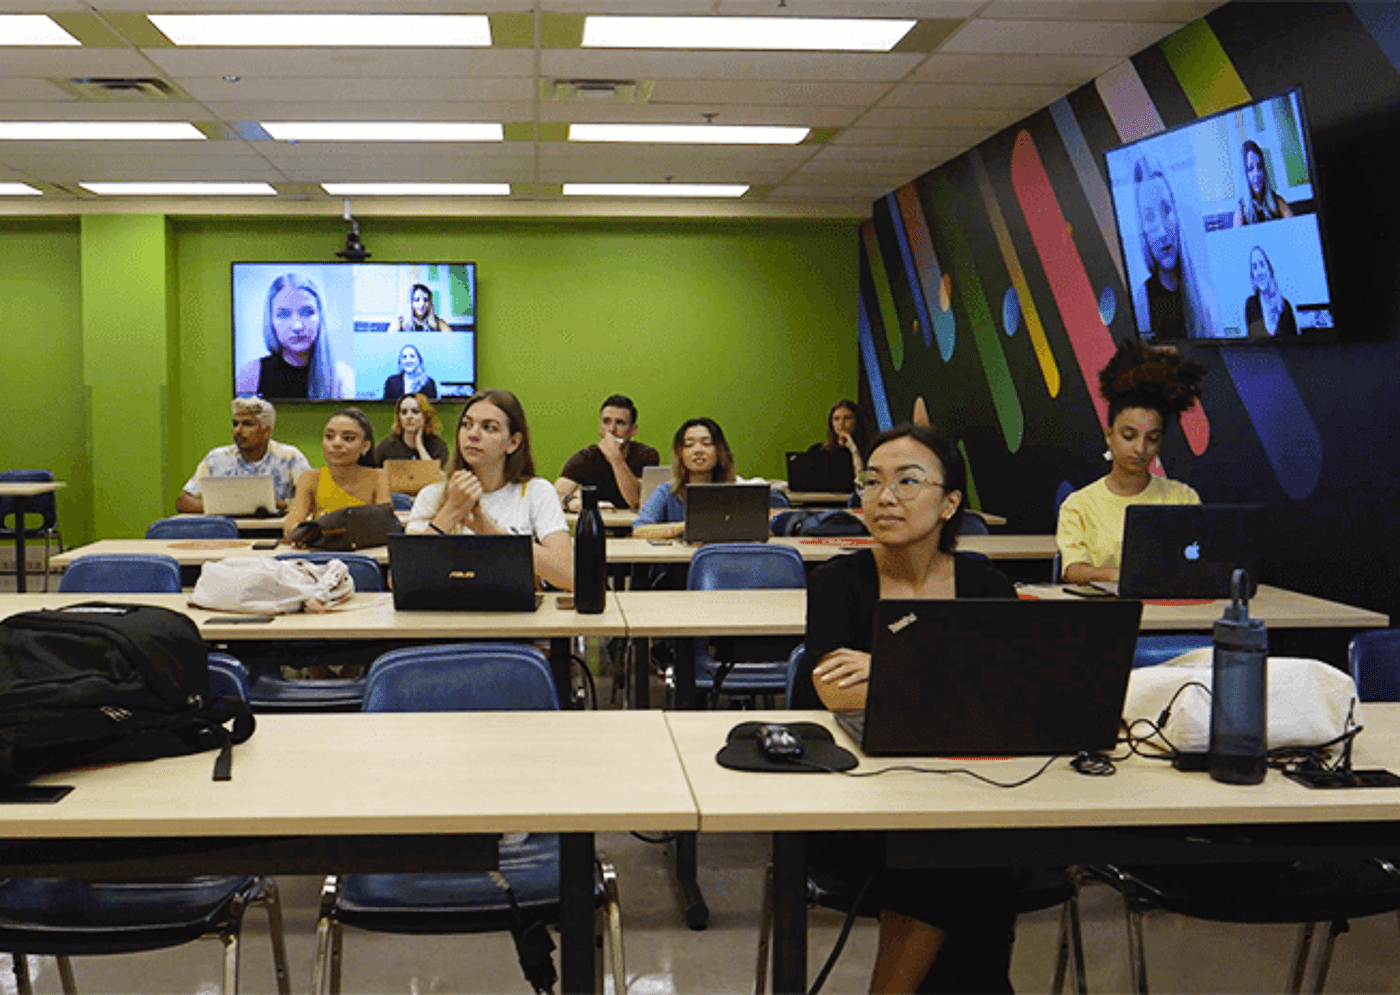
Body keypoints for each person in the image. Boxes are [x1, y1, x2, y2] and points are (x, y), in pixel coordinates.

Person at [796, 424, 1022, 993]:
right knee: (956, 849)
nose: (885, 496)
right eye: (871, 482)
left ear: (950, 503)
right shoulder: (839, 583)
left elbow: (1017, 690)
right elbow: (836, 689)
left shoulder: (984, 584)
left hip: (973, 787)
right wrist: (958, 677)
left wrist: (889, 667)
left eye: (907, 481)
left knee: (969, 840)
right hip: (860, 799)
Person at [1057, 340, 1207, 584]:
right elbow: (1072, 570)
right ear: (1109, 436)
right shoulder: (1079, 505)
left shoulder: (1183, 498)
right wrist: (1112, 575)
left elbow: (1200, 562)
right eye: (1129, 436)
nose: (1140, 448)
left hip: (1170, 610)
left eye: (1152, 438)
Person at [406, 389, 573, 591]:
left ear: (513, 442)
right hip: (447, 615)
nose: (473, 435)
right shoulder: (431, 495)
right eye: (466, 425)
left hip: (515, 616)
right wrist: (450, 513)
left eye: (489, 428)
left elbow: (570, 576)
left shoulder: (536, 491)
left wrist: (491, 531)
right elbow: (399, 580)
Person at [1130, 155, 1215, 341]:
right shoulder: (1143, 300)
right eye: (1150, 217)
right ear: (1142, 229)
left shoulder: (1204, 293)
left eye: (1166, 210)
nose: (1161, 231)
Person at [177, 397, 311, 513]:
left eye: (247, 424)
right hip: (225, 535)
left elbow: (314, 498)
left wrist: (276, 505)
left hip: (274, 532)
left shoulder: (290, 457)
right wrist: (240, 507)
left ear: (266, 431)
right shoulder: (216, 458)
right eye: (235, 424)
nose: (237, 431)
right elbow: (184, 502)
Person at [235, 272, 354, 400]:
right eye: (284, 314)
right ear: (271, 320)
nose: (297, 326)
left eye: (307, 312)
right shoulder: (252, 374)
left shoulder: (342, 377)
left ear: (320, 317)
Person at [282, 408, 390, 539]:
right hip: (320, 552)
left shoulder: (378, 477)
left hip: (362, 554)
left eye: (348, 438)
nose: (336, 443)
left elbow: (383, 526)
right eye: (329, 436)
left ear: (365, 446)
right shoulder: (310, 478)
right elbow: (291, 526)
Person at [632, 417, 736, 540]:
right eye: (689, 445)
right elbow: (639, 531)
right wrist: (689, 526)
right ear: (680, 453)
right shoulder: (667, 492)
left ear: (719, 450)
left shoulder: (735, 492)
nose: (698, 450)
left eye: (707, 443)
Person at [554, 395, 661, 511]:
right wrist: (569, 501)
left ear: (632, 430)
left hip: (635, 526)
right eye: (606, 422)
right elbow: (556, 494)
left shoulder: (646, 455)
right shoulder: (586, 457)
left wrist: (616, 459)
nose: (612, 429)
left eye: (620, 423)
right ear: (600, 427)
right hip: (599, 526)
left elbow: (636, 501)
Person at [806, 398, 871, 489]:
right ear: (831, 423)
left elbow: (862, 483)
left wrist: (854, 451)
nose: (841, 423)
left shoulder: (868, 451)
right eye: (836, 419)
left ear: (856, 421)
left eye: (847, 418)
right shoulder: (817, 450)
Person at [373, 393, 449, 466]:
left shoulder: (438, 446)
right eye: (404, 412)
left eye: (415, 412)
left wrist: (419, 446)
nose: (409, 416)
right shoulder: (387, 446)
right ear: (399, 418)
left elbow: (435, 477)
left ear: (426, 416)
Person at [1233, 140, 1293, 227]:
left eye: (1260, 166)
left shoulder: (1277, 201)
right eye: (1250, 169)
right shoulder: (1241, 209)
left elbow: (1294, 227)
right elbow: (1236, 238)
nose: (1257, 173)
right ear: (1245, 175)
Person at [1243, 246, 1298, 338]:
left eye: (1262, 265)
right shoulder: (1251, 305)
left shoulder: (1285, 306)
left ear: (1270, 269)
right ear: (1252, 275)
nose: (1259, 272)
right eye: (1255, 267)